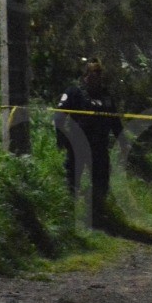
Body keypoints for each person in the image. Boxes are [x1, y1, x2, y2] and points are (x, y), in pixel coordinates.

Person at [54, 60, 123, 221]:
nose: (96, 79)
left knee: (101, 180)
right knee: (73, 178)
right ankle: (72, 214)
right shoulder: (74, 92)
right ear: (85, 76)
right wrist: (61, 137)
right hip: (77, 144)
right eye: (92, 75)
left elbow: (114, 120)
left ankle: (97, 214)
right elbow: (59, 115)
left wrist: (122, 141)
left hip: (99, 145)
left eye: (99, 75)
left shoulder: (105, 96)